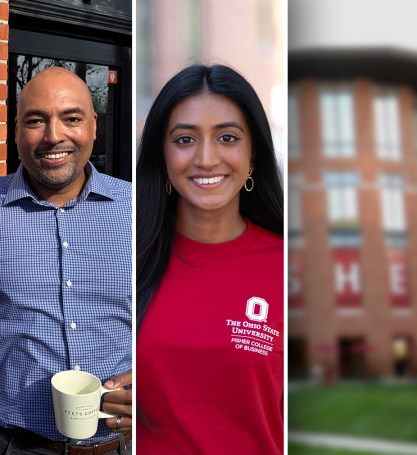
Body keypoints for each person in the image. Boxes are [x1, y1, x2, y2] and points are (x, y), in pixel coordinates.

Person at [0, 66, 132, 455]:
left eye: (71, 118)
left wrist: (154, 380)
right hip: (8, 445)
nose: (54, 136)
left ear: (94, 125)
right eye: (36, 121)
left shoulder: (140, 210)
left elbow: (174, 322)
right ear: (16, 130)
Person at [136, 64, 284, 454]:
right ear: (162, 156)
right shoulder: (130, 257)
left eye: (228, 137)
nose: (206, 158)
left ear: (253, 156)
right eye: (185, 139)